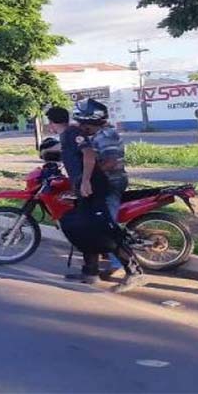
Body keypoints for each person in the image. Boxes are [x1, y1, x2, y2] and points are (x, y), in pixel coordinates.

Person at [44, 105, 146, 293]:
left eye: (83, 123)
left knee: (105, 229)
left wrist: (85, 180)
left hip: (105, 186)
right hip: (91, 188)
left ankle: (134, 273)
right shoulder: (78, 134)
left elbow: (99, 159)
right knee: (85, 228)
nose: (81, 126)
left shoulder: (92, 134)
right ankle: (90, 272)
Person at [73, 98, 129, 279]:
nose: (80, 126)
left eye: (82, 122)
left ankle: (119, 264)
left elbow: (111, 162)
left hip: (111, 183)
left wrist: (90, 177)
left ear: (90, 121)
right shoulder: (96, 135)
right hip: (103, 182)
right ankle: (97, 263)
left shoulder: (106, 135)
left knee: (106, 224)